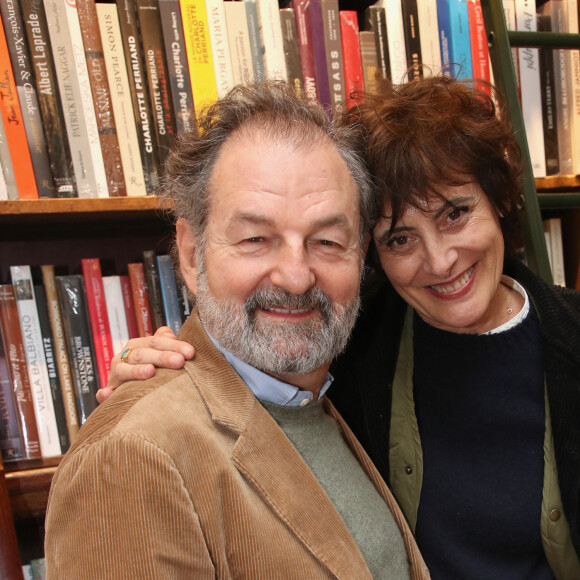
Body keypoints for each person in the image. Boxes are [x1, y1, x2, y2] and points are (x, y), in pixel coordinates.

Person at [108, 76, 580, 579]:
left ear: (501, 202)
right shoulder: (350, 340)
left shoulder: (570, 337)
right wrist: (166, 373)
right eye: (400, 239)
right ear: (370, 254)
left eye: (456, 214)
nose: (440, 261)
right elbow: (247, 371)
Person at [44, 82, 429, 579]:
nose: (295, 276)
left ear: (360, 257)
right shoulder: (133, 456)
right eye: (255, 238)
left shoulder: (320, 398)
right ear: (189, 254)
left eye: (328, 241)